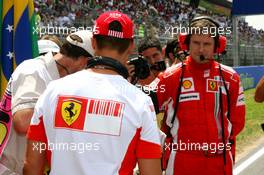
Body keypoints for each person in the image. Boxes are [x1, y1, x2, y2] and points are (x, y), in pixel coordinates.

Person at [24, 10, 162, 175]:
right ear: (131, 46)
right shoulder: (141, 102)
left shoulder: (53, 90)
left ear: (94, 42)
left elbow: (31, 167)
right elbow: (151, 172)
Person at [150, 16, 245, 175]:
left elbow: (238, 122)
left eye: (207, 44)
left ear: (217, 46)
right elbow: (143, 109)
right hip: (182, 160)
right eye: (196, 43)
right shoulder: (169, 76)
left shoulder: (231, 78)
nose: (201, 49)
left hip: (219, 161)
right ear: (186, 43)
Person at [0, 30, 94, 174]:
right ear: (84, 62)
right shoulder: (33, 70)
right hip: (9, 169)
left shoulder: (64, 80)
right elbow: (23, 122)